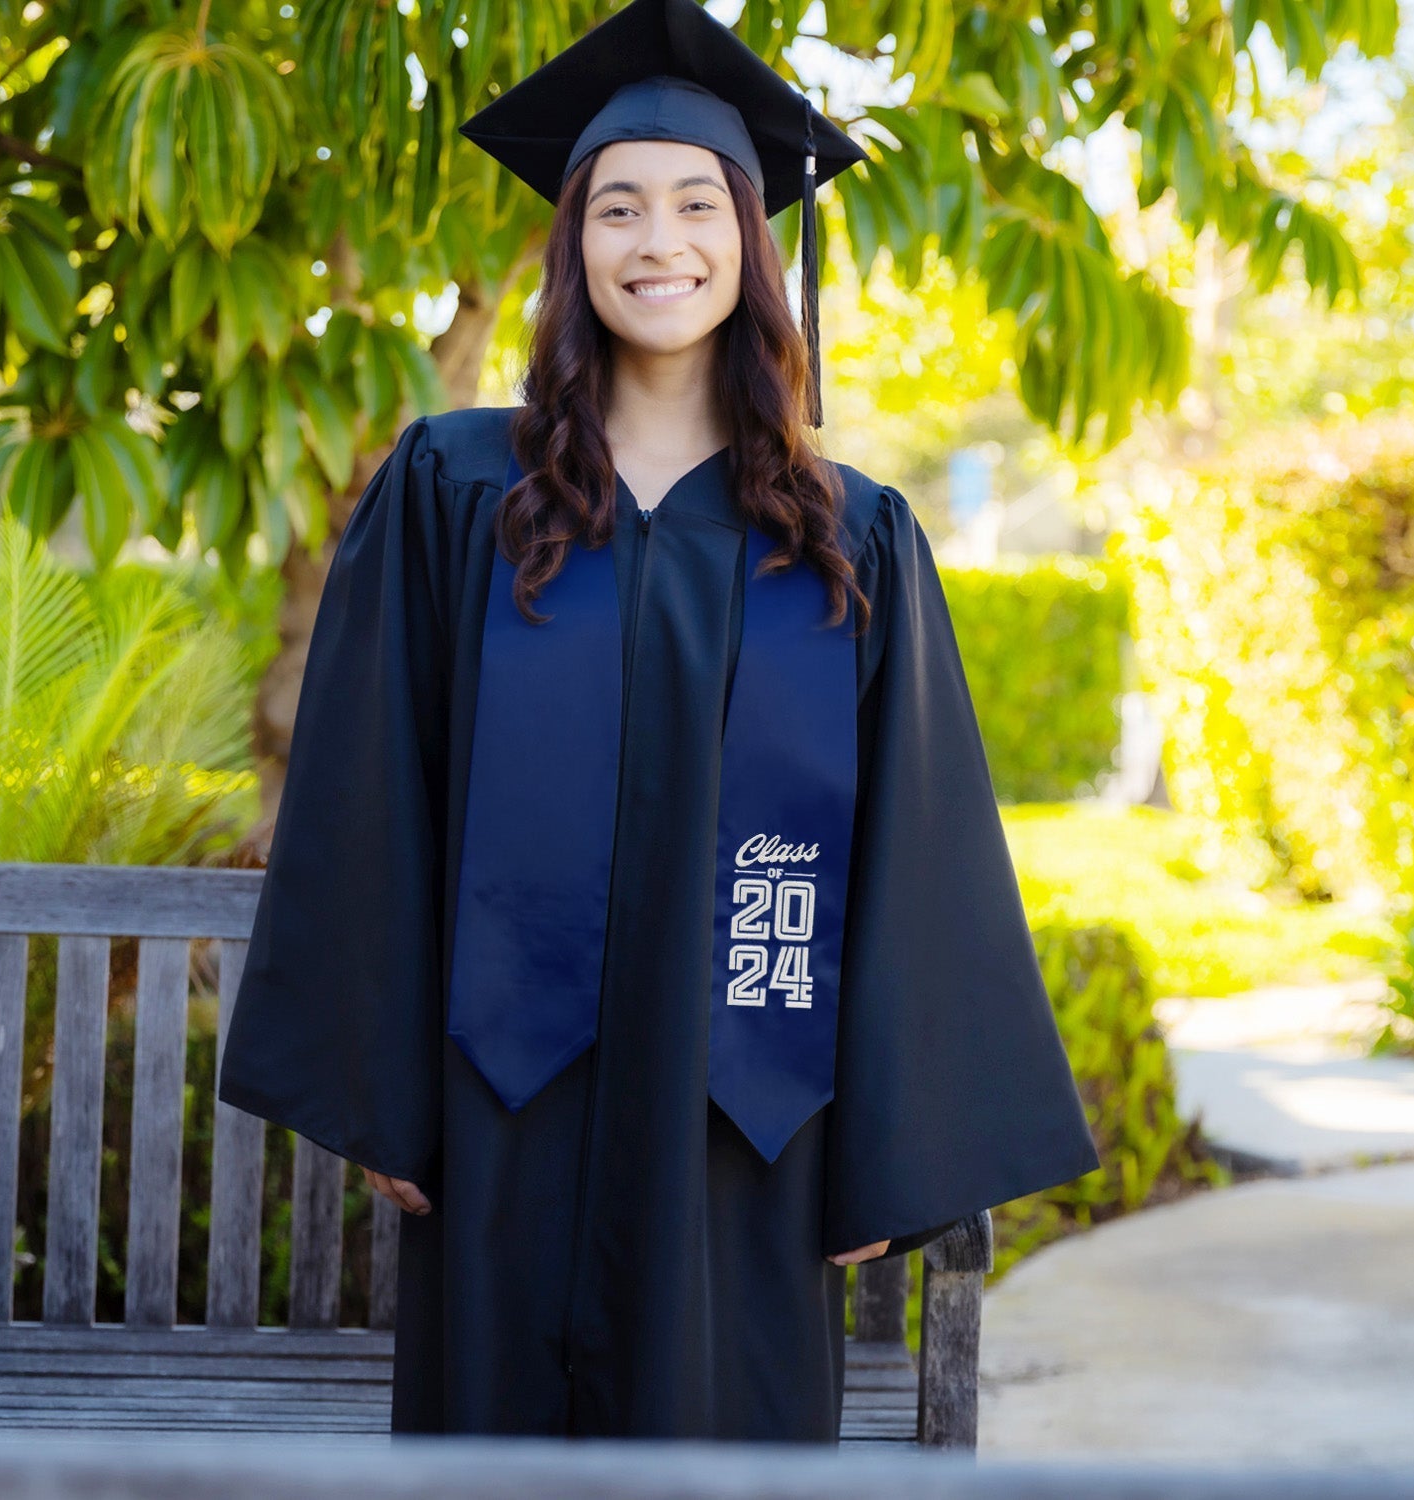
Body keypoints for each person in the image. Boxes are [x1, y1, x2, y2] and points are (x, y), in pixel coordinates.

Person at [216, 0, 1101, 1443]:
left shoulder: (846, 536)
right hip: (502, 1100)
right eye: (617, 208)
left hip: (744, 1111)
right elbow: (372, 788)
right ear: (573, 247)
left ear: (754, 246)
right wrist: (378, 1083)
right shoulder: (456, 495)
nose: (658, 242)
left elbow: (917, 848)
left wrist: (884, 1149)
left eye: (700, 205)